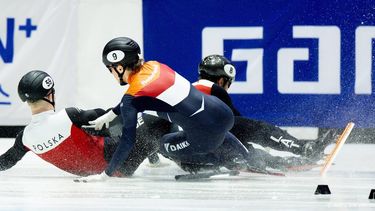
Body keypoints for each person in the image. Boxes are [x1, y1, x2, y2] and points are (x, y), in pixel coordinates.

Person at [76, 37, 271, 182]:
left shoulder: (131, 96)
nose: (111, 73)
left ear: (119, 68)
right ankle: (247, 156)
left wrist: (105, 175)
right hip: (223, 114)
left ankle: (224, 163)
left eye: (110, 68)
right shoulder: (155, 66)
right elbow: (145, 97)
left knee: (164, 144)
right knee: (200, 121)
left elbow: (128, 141)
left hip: (205, 135)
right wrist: (112, 113)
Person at [0, 70, 162, 177]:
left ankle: (154, 156)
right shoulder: (68, 116)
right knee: (153, 116)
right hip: (120, 162)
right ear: (50, 95)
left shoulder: (25, 138)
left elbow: (6, 161)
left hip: (104, 171)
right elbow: (111, 119)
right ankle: (174, 160)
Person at [193, 54, 335, 162]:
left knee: (242, 140)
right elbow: (241, 125)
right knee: (258, 129)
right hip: (213, 144)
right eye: (228, 83)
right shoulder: (215, 91)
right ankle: (304, 150)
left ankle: (270, 161)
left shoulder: (189, 90)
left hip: (190, 154)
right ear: (221, 80)